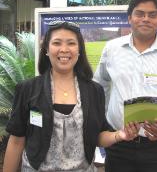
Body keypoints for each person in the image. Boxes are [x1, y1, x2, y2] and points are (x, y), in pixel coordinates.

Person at [3, 21, 139, 172]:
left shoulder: (94, 91)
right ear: (46, 49)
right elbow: (16, 141)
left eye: (71, 43)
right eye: (56, 43)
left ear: (79, 49)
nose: (64, 49)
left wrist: (119, 135)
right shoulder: (28, 89)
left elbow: (99, 136)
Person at [94, 0, 157, 172]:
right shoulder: (112, 49)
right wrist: (108, 117)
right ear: (130, 18)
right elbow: (100, 86)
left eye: (152, 15)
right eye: (140, 13)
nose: (145, 19)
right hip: (119, 144)